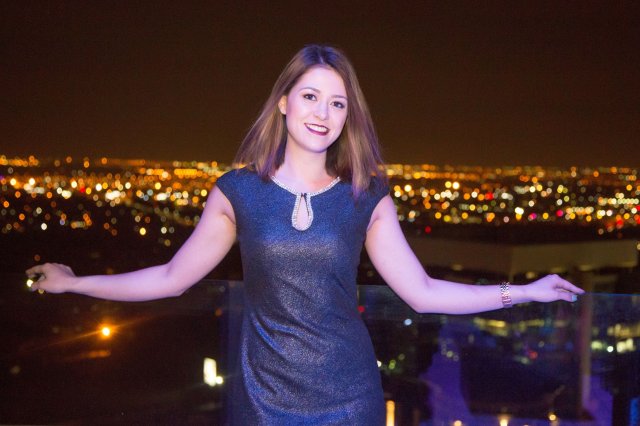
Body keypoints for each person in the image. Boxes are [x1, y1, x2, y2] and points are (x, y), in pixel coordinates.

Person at [26, 44, 584, 425]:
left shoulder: (365, 195)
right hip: (262, 399)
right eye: (311, 96)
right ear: (284, 102)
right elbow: (172, 277)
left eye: (338, 103)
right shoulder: (239, 191)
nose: (323, 112)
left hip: (350, 398)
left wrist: (524, 292)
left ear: (348, 117)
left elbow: (422, 292)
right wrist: (75, 283)